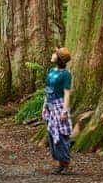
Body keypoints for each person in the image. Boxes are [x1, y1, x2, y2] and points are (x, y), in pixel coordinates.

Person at [42, 47, 73, 175]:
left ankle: (65, 163)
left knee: (60, 135)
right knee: (52, 134)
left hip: (59, 105)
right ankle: (59, 163)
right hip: (50, 104)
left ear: (59, 58)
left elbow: (67, 93)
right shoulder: (51, 71)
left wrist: (64, 111)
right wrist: (44, 105)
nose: (52, 54)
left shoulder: (65, 74)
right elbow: (47, 89)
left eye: (55, 53)